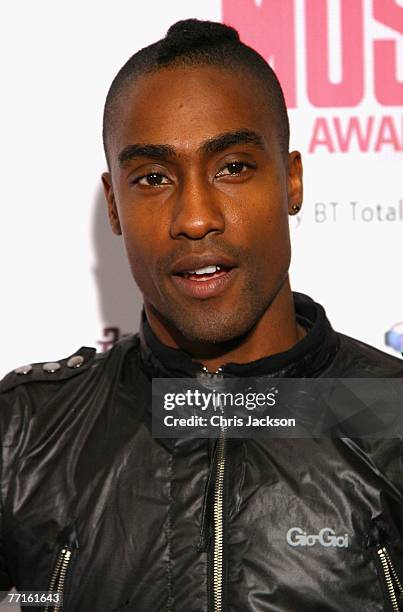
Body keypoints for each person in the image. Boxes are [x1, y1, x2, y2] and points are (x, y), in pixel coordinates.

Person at [1, 19, 403, 612]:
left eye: (233, 167)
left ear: (291, 180)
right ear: (114, 203)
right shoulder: (23, 435)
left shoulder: (391, 416)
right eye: (154, 177)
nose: (195, 216)